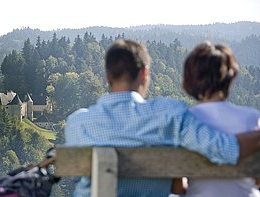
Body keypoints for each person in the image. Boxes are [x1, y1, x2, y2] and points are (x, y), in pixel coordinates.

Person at [64, 39, 260, 197]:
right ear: (144, 73)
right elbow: (225, 149)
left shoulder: (77, 123)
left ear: (107, 76)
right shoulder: (168, 116)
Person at [171, 42, 260, 197]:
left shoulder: (185, 122)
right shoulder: (251, 117)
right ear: (230, 78)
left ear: (190, 79)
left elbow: (177, 187)